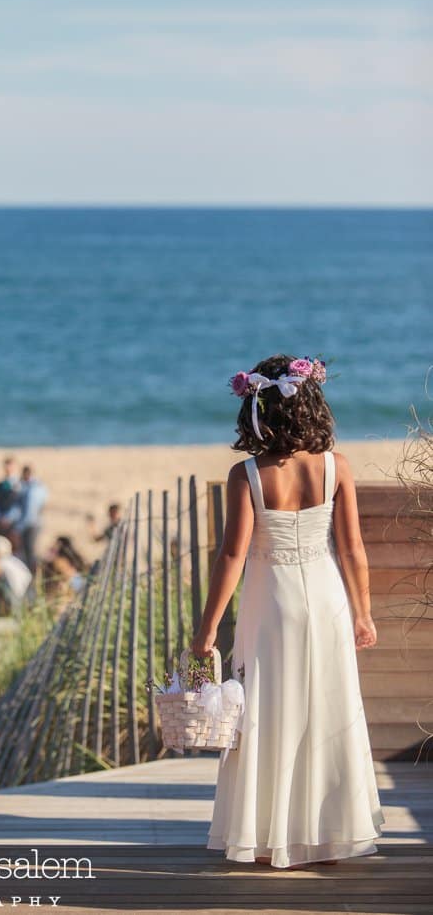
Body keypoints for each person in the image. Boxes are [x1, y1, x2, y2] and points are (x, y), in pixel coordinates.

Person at [192, 353, 384, 870]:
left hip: (269, 603)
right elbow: (352, 550)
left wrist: (207, 630)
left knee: (268, 714)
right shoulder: (335, 467)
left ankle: (267, 835)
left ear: (257, 411)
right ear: (311, 406)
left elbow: (232, 556)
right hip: (325, 599)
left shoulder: (246, 475)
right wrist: (363, 614)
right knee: (327, 708)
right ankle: (326, 835)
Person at [17, 465, 48, 576]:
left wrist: (19, 527)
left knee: (29, 552)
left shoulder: (34, 488)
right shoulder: (35, 486)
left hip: (31, 524)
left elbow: (31, 510)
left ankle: (32, 575)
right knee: (28, 551)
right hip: (34, 523)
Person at [0, 458, 23, 555]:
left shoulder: (20, 483)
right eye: (6, 466)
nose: (8, 469)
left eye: (11, 466)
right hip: (0, 521)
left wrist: (9, 517)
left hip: (14, 523)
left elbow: (20, 503)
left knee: (15, 550)